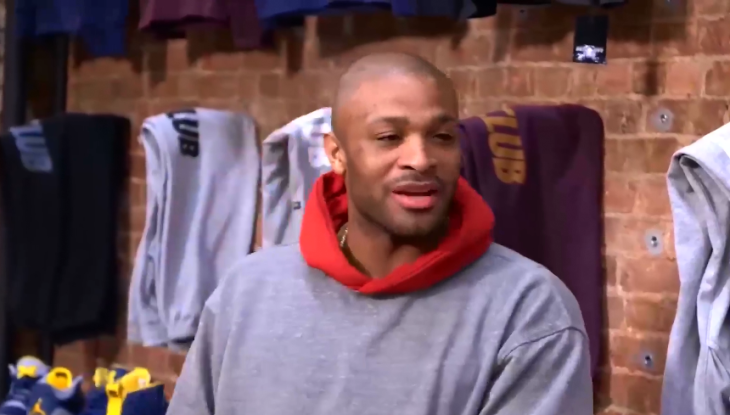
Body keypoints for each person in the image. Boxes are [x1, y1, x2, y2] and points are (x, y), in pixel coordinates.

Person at [167, 52, 593, 415]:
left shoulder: (528, 311)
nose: (421, 159)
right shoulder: (247, 292)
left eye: (442, 137)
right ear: (337, 154)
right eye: (389, 137)